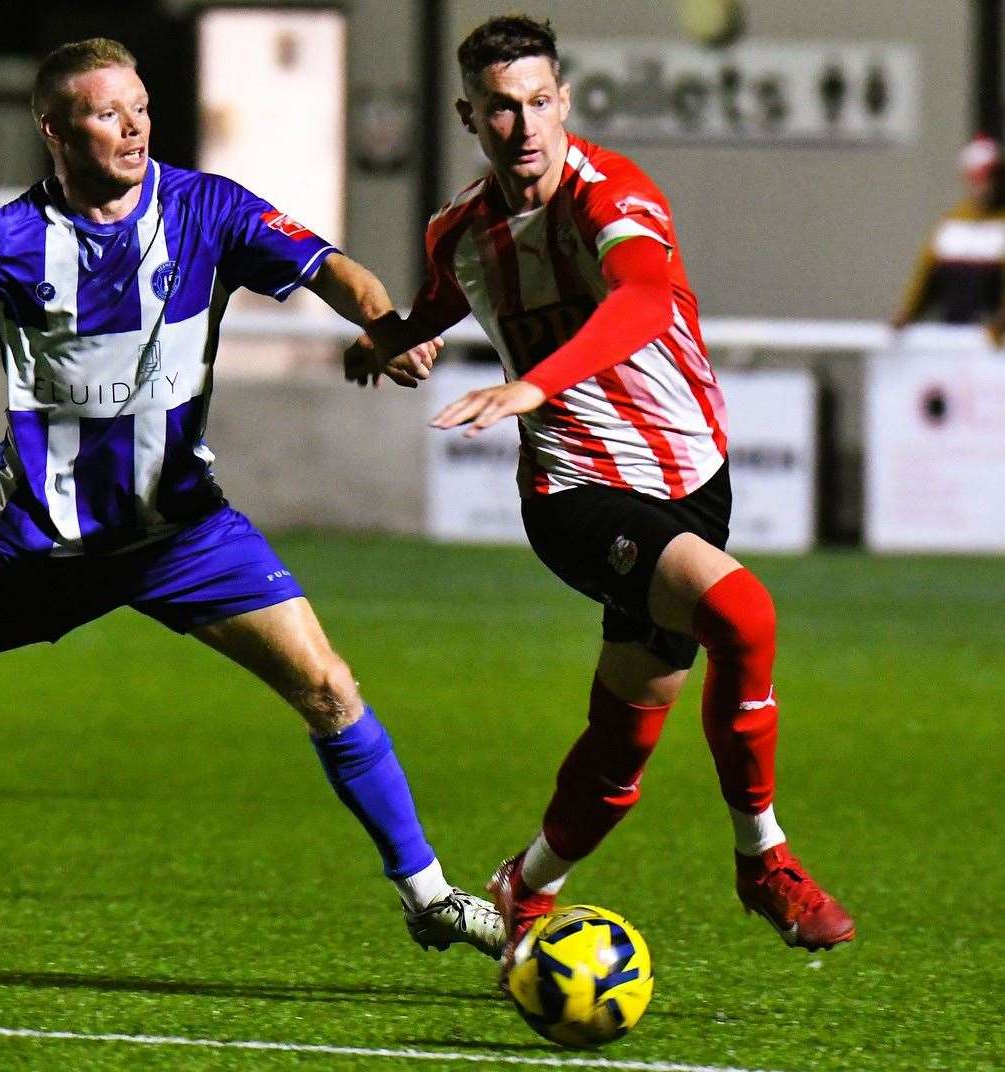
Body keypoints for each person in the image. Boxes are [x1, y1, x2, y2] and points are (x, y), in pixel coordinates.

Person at [0, 38, 503, 960]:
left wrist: (384, 324)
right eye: (105, 113)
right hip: (37, 542)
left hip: (181, 532)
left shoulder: (207, 209)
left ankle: (428, 895)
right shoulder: (2, 240)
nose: (132, 129)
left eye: (139, 108)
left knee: (328, 687)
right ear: (54, 129)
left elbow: (335, 269)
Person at [346, 14, 855, 978]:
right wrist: (389, 338)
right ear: (470, 116)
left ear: (565, 101)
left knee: (627, 734)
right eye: (501, 107)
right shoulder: (458, 230)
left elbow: (641, 299)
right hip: (573, 489)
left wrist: (533, 379)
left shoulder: (615, 194)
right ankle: (764, 861)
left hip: (692, 478)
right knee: (742, 615)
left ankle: (523, 885)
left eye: (540, 101)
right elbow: (445, 301)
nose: (525, 125)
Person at [891, 134, 1005, 343]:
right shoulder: (952, 224)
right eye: (978, 179)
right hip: (955, 337)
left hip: (994, 343)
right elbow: (926, 277)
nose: (985, 186)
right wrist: (907, 313)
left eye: (991, 178)